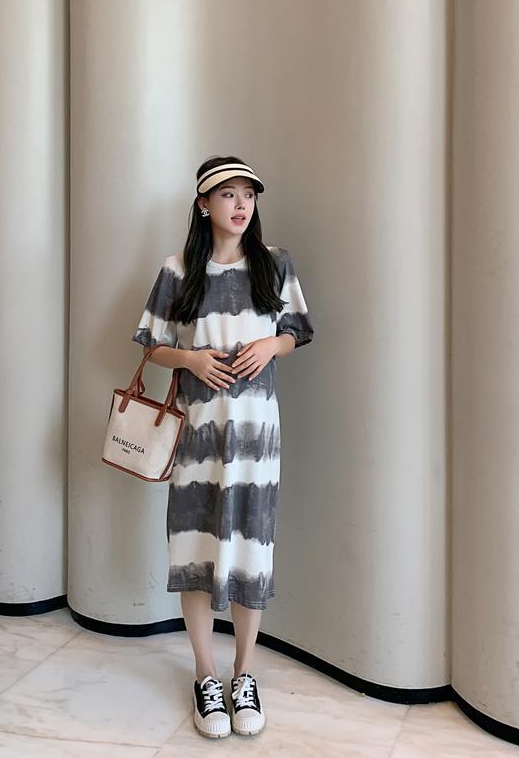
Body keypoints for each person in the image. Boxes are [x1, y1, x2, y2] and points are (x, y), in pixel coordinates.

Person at [133, 153, 313, 739]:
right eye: (228, 194)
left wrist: (270, 346)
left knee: (250, 553)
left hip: (258, 440)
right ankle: (205, 675)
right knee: (194, 552)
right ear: (203, 204)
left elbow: (297, 330)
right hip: (199, 437)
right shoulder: (178, 269)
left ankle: (243, 675)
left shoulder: (275, 264)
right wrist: (190, 359)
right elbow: (152, 343)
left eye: (248, 195)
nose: (241, 205)